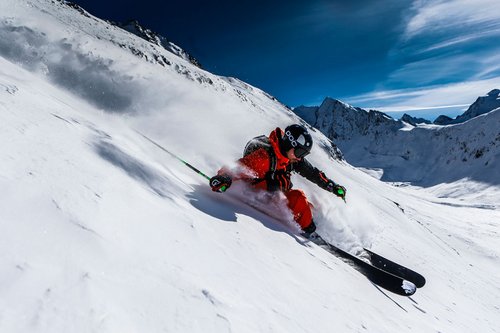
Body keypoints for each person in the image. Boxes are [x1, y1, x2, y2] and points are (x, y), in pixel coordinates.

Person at [209, 124, 346, 238]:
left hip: (278, 193)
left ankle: (314, 227)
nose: (300, 158)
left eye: (303, 154)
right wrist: (224, 178)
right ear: (289, 144)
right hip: (264, 196)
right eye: (299, 153)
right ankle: (309, 232)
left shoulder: (291, 158)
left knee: (313, 208)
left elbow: (313, 173)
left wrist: (331, 186)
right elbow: (237, 167)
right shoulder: (265, 157)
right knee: (299, 199)